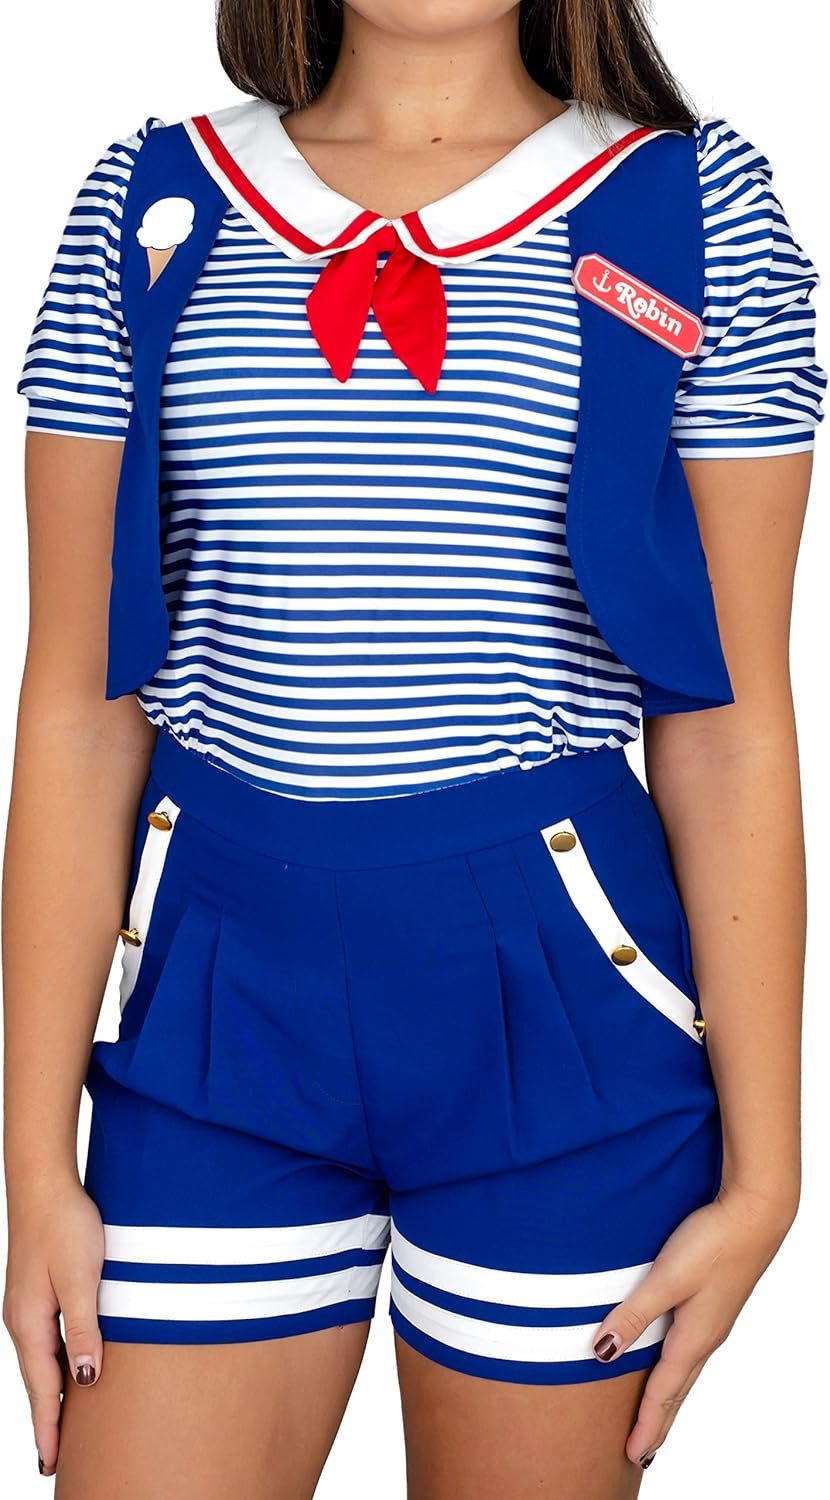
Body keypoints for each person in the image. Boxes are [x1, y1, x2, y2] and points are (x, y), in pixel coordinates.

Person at [3, 2, 825, 1496]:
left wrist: (770, 1175)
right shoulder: (150, 203)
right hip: (214, 1021)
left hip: (570, 1014)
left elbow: (723, 721)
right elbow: (76, 702)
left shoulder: (696, 208)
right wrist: (33, 1169)